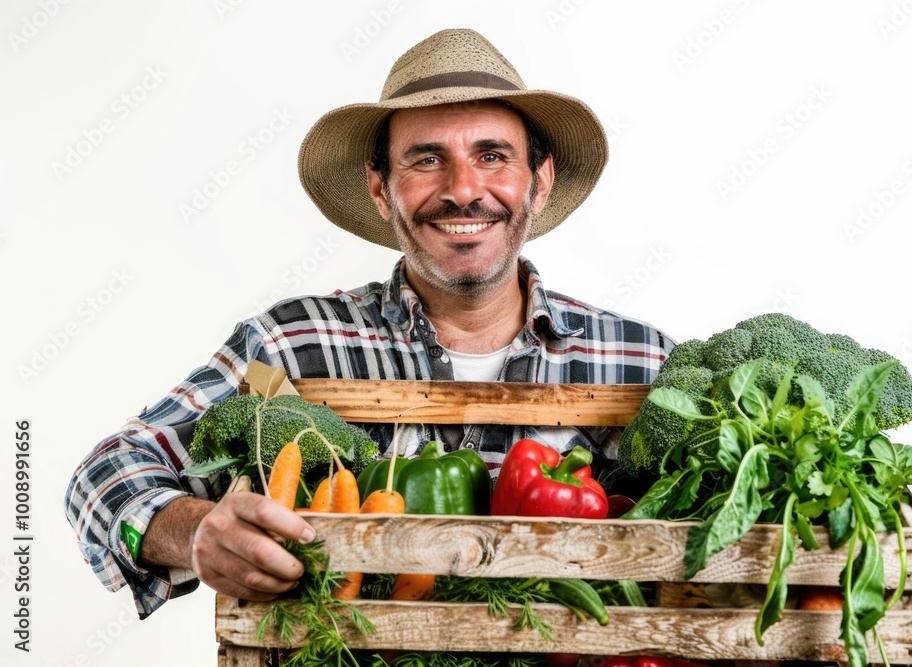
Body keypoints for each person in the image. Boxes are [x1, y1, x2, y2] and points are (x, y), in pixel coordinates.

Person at [64, 28, 674, 619]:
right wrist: (197, 530)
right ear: (382, 191)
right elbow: (103, 472)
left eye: (492, 156)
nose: (463, 190)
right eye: (426, 159)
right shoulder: (293, 345)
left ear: (537, 183)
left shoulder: (642, 362)